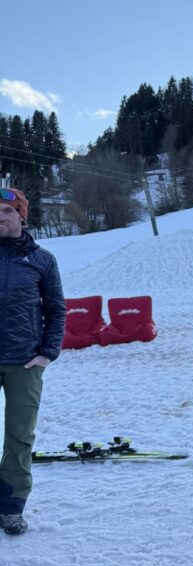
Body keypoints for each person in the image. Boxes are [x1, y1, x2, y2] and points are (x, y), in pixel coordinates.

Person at [0, 187, 65, 536]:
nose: (0, 217)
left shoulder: (42, 260)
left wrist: (47, 353)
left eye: (7, 211)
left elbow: (56, 310)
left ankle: (11, 507)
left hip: (24, 364)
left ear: (21, 217)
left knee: (20, 436)